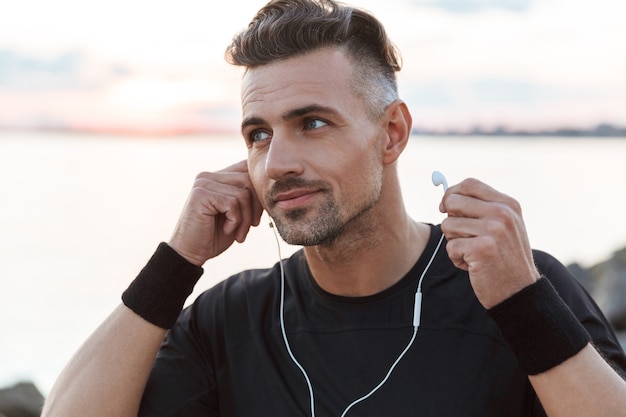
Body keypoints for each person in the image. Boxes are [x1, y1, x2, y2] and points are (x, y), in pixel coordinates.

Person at [42, 0, 626, 416]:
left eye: (312, 123)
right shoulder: (228, 320)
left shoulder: (517, 288)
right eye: (258, 134)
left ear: (391, 134)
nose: (276, 164)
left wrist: (524, 302)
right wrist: (175, 263)